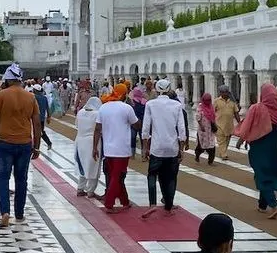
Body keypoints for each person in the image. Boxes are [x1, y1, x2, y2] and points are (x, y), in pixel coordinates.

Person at [0, 63, 40, 228]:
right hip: (24, 144)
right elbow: (37, 124)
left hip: (5, 143)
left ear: (8, 80)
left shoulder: (2, 95)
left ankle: (5, 212)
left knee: (2, 178)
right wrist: (37, 146)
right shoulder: (30, 97)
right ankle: (20, 214)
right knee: (21, 179)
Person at [236, 83, 277, 219]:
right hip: (275, 147)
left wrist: (241, 139)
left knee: (261, 173)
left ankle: (274, 205)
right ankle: (262, 205)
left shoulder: (257, 108)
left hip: (259, 146)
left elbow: (247, 125)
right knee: (268, 173)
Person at [140, 79, 187, 218]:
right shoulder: (177, 105)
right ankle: (168, 207)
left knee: (152, 175)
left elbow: (145, 128)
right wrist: (181, 149)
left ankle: (153, 204)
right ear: (169, 89)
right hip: (172, 148)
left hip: (156, 147)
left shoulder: (150, 104)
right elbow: (182, 129)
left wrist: (144, 148)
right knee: (171, 178)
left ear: (156, 88)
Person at [93, 83, 142, 214]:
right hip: (122, 149)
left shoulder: (103, 108)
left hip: (108, 148)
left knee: (117, 177)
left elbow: (97, 129)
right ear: (124, 94)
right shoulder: (127, 108)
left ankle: (125, 201)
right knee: (117, 177)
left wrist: (94, 147)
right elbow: (137, 125)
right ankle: (109, 204)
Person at [74, 96, 104, 198]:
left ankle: (80, 188)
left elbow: (76, 125)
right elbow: (100, 129)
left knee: (82, 165)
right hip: (93, 142)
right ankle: (91, 191)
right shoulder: (97, 114)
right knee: (93, 166)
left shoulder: (81, 112)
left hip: (79, 141)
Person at [214, 85, 240, 159]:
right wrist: (212, 123)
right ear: (220, 93)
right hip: (219, 124)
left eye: (226, 92)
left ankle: (222, 152)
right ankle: (224, 154)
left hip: (229, 125)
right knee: (221, 140)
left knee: (227, 140)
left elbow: (236, 113)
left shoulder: (232, 102)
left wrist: (240, 123)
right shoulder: (216, 101)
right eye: (222, 92)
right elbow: (212, 112)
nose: (224, 94)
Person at [195, 92, 218, 164]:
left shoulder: (211, 106)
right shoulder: (200, 106)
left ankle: (210, 161)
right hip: (203, 130)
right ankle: (197, 156)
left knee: (212, 145)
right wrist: (201, 126)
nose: (208, 102)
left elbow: (213, 117)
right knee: (201, 145)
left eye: (209, 100)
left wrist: (215, 125)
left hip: (210, 130)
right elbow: (198, 117)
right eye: (206, 100)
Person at [32, 84, 53, 150]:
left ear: (35, 90)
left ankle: (36, 146)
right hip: (42, 118)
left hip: (35, 118)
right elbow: (48, 108)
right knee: (40, 132)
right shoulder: (44, 97)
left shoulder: (34, 97)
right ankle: (48, 143)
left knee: (37, 132)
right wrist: (49, 117)